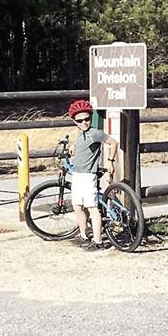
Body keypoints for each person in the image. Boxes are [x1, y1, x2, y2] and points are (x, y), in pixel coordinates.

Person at [65, 99, 118, 251]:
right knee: (77, 206)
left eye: (87, 119)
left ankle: (98, 241)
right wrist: (74, 146)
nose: (84, 123)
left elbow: (113, 143)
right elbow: (82, 143)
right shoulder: (81, 132)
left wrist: (110, 161)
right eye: (80, 120)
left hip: (88, 176)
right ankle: (83, 234)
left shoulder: (94, 133)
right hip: (78, 174)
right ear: (74, 121)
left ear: (91, 117)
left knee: (92, 208)